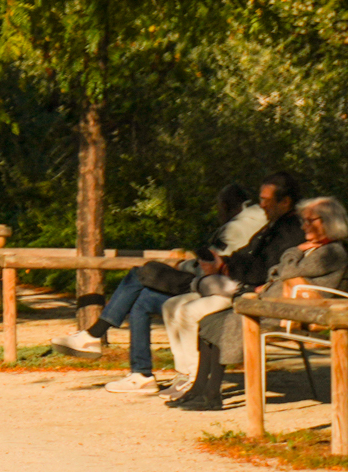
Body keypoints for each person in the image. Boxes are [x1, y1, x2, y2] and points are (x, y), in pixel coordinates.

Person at [54, 185, 253, 391]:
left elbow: (211, 265)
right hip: (209, 285)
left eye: (219, 208)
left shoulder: (235, 228)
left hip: (212, 288)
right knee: (143, 300)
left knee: (141, 274)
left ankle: (95, 336)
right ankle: (140, 374)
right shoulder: (247, 224)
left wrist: (183, 266)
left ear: (226, 206)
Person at [169, 193, 348, 410]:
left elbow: (286, 271)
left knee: (227, 323)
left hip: (294, 313)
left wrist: (294, 251)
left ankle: (212, 395)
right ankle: (199, 389)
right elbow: (278, 271)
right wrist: (288, 265)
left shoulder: (332, 252)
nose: (304, 226)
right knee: (210, 321)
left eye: (311, 221)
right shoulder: (315, 249)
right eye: (304, 220)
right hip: (276, 307)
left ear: (329, 222)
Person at [160, 173, 304, 406]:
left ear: (285, 201)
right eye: (260, 199)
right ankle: (185, 373)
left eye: (266, 200)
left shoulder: (290, 230)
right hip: (240, 284)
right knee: (171, 304)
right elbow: (248, 255)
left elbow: (264, 270)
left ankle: (194, 379)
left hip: (257, 293)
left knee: (191, 311)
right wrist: (223, 263)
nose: (262, 205)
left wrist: (226, 267)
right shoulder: (273, 225)